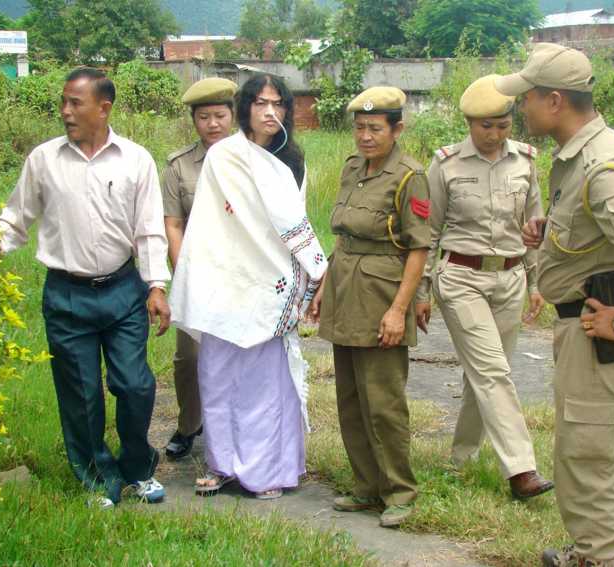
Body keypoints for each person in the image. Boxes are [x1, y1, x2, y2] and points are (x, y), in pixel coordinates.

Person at [494, 44, 614, 566]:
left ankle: (601, 558)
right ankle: (592, 549)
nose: (519, 109)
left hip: (599, 330)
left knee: (590, 454)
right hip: (583, 326)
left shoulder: (601, 165)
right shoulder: (589, 150)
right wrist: (552, 231)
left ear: (554, 101)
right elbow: (606, 233)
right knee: (579, 449)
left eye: (526, 99)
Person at [0, 67, 171, 508]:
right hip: (66, 294)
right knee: (81, 394)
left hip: (123, 290)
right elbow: (15, 220)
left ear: (103, 108)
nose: (65, 112)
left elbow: (149, 228)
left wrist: (156, 285)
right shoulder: (44, 160)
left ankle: (136, 468)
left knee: (135, 385)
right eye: (64, 102)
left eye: (75, 103)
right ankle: (97, 480)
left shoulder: (135, 159)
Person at [169, 73, 327, 500]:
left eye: (278, 103)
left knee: (264, 385)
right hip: (226, 282)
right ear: (245, 109)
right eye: (260, 103)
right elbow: (215, 223)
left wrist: (314, 269)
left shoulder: (293, 161)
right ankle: (223, 465)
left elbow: (289, 221)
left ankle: (265, 470)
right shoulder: (225, 157)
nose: (270, 111)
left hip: (271, 284)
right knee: (218, 379)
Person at [415, 74, 554, 500]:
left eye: (503, 125)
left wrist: (536, 281)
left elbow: (534, 226)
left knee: (487, 373)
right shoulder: (446, 164)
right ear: (469, 124)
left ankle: (461, 458)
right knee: (494, 371)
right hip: (460, 279)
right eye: (485, 126)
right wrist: (422, 291)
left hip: (510, 277)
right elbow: (429, 232)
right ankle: (521, 468)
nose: (494, 135)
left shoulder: (526, 161)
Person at [309, 87, 431, 528]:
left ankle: (399, 490)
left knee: (384, 400)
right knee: (351, 398)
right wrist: (326, 283)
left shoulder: (410, 175)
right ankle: (366, 486)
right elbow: (344, 236)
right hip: (345, 287)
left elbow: (418, 249)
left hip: (382, 293)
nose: (365, 136)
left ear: (397, 129)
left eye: (375, 128)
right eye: (359, 128)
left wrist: (400, 308)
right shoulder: (352, 168)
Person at [161, 77, 238, 460]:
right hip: (198, 277)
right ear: (194, 120)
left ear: (233, 117)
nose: (212, 124)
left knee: (241, 352)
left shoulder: (251, 160)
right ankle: (190, 423)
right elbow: (172, 224)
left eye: (220, 115)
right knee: (189, 357)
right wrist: (184, 274)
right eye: (204, 117)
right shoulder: (178, 166)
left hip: (242, 277)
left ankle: (238, 425)